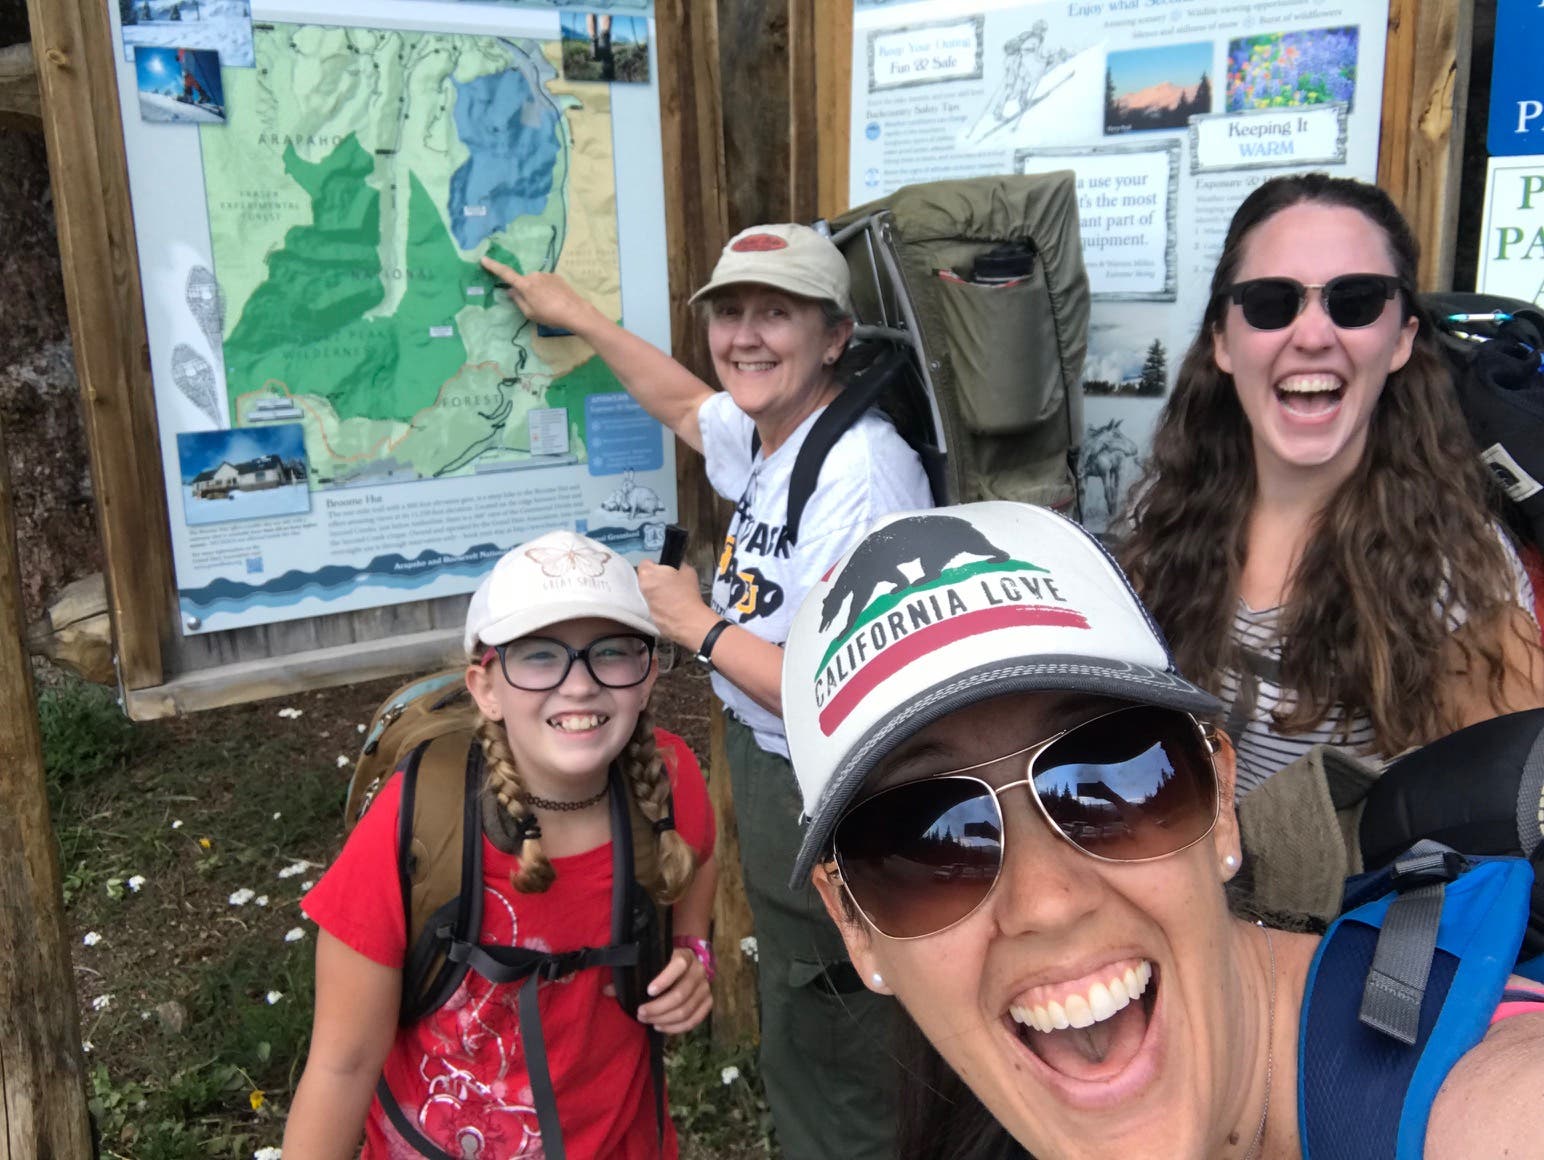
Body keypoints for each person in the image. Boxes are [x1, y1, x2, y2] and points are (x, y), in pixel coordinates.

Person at [779, 501, 1544, 1160]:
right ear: (857, 929)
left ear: (1218, 803)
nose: (1047, 902)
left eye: (1110, 779)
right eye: (924, 843)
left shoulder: (1488, 1105)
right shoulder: (977, 1113)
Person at [482, 224, 933, 1159]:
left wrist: (698, 626)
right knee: (806, 1011)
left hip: (836, 794)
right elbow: (687, 406)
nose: (745, 336)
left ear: (836, 336)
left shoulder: (862, 475)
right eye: (730, 312)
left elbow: (849, 696)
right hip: (774, 776)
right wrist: (576, 317)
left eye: (777, 313)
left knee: (843, 1024)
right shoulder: (784, 431)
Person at [284, 530, 717, 1158]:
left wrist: (693, 949)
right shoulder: (416, 822)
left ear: (647, 677)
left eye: (613, 652)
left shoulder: (670, 781)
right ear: (486, 688)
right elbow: (342, 1065)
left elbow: (699, 854)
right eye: (539, 655)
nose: (579, 685)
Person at [1119, 173, 1544, 796]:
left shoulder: (1458, 575)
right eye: (1270, 302)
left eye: (1356, 301)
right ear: (1223, 342)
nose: (1314, 335)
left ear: (1401, 339)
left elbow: (1502, 830)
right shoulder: (1157, 513)